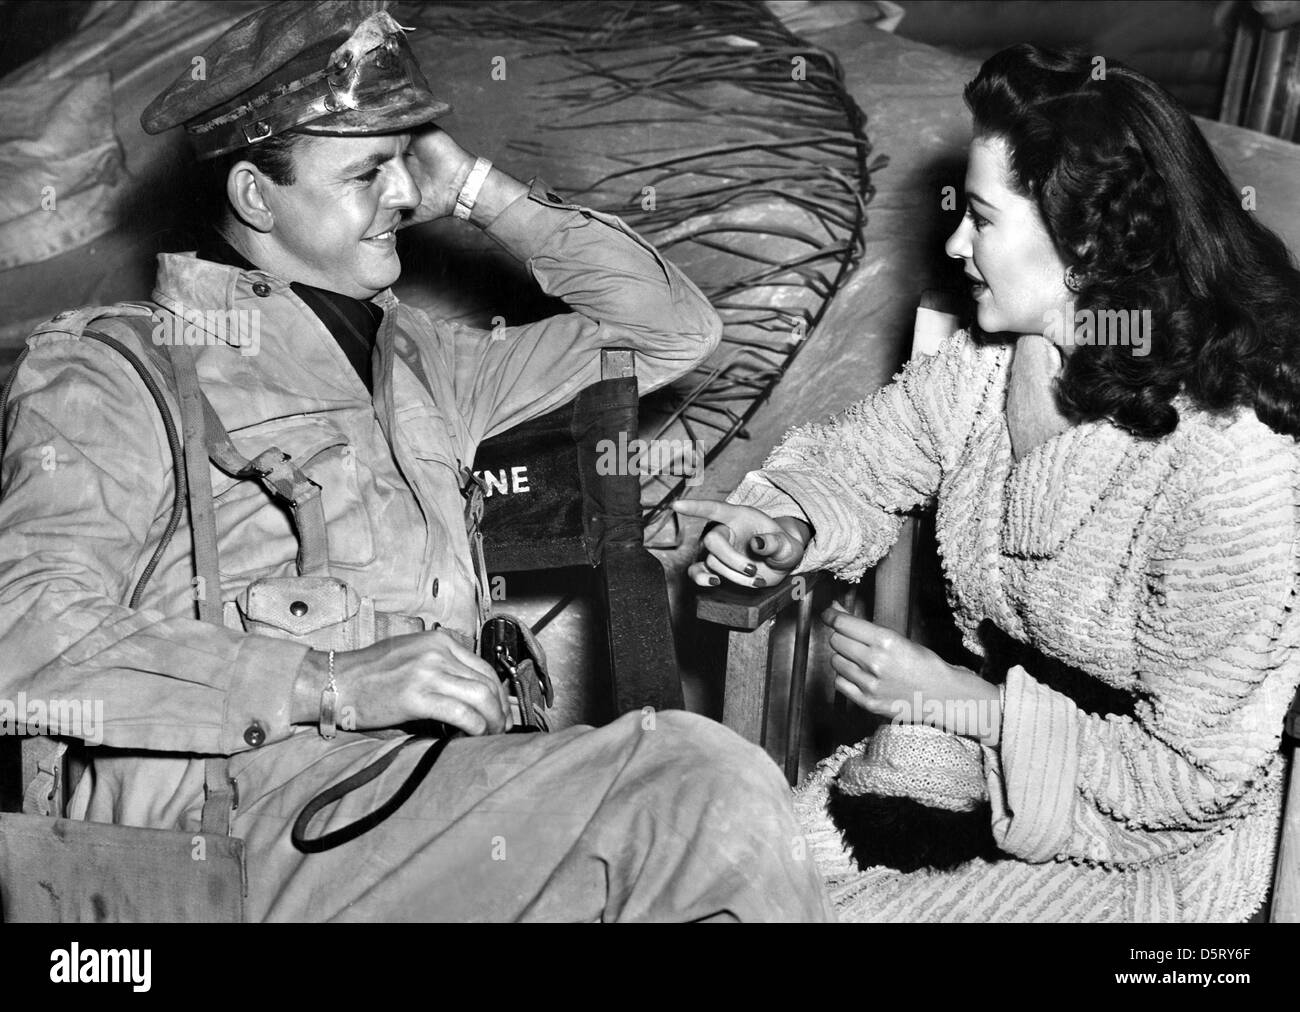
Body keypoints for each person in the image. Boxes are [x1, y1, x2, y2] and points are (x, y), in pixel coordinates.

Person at [0, 1, 833, 922]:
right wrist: (329, 683)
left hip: (425, 796)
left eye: (404, 160)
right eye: (366, 171)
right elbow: (21, 635)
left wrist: (476, 188)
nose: (401, 193)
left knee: (684, 831)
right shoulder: (120, 364)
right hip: (239, 827)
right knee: (701, 788)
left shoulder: (426, 360)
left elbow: (670, 330)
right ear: (254, 197)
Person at [675, 43, 1300, 922]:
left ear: (1085, 239)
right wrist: (793, 526)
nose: (956, 243)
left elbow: (1191, 778)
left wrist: (961, 701)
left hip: (1159, 845)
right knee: (715, 880)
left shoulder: (1233, 459)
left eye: (981, 216)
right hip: (976, 752)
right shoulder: (987, 370)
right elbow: (855, 460)